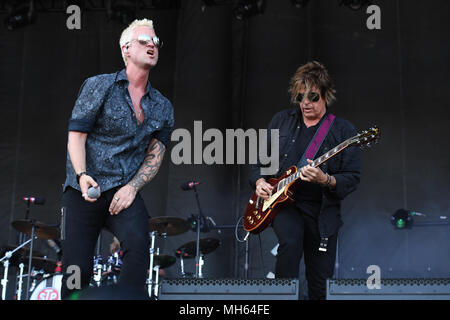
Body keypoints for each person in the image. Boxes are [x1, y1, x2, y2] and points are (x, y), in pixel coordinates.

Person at [60, 18, 174, 299]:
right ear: (126, 49)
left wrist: (133, 187)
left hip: (123, 191)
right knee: (78, 270)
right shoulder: (99, 86)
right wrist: (81, 174)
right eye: (144, 40)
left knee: (138, 247)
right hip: (83, 189)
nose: (152, 45)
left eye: (155, 41)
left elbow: (155, 154)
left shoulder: (162, 105)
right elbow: (76, 135)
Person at [249, 61, 361, 300]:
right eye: (301, 97)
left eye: (313, 97)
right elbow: (259, 160)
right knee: (290, 242)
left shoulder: (343, 130)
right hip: (284, 204)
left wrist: (326, 179)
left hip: (321, 213)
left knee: (320, 281)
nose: (306, 103)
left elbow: (352, 177)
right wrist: (259, 180)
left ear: (325, 95)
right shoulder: (282, 121)